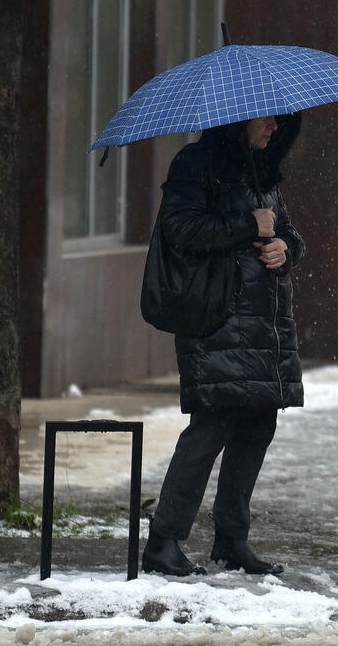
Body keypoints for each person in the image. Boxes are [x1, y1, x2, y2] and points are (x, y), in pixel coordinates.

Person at [141, 112, 306, 577]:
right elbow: (181, 230)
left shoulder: (263, 169)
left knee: (257, 426)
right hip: (216, 317)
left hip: (264, 321)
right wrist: (246, 227)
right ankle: (164, 541)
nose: (274, 128)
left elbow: (288, 231)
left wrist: (285, 249)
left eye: (280, 121)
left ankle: (232, 540)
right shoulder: (196, 163)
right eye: (267, 120)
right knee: (210, 426)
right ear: (239, 120)